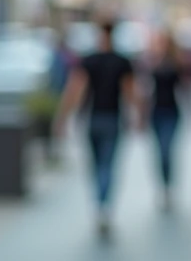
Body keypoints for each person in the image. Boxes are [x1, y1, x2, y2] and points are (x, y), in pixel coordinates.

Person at [55, 20, 138, 238]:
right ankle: (104, 207)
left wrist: (63, 118)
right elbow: (130, 93)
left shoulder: (89, 60)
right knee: (107, 165)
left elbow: (75, 90)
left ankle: (100, 205)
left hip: (93, 119)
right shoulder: (122, 61)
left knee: (96, 165)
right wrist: (138, 116)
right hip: (112, 118)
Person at [146, 31, 191, 211]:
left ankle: (168, 187)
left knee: (167, 151)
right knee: (159, 152)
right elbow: (145, 90)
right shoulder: (151, 63)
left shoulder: (176, 64)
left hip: (172, 113)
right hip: (155, 113)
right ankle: (163, 187)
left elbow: (184, 87)